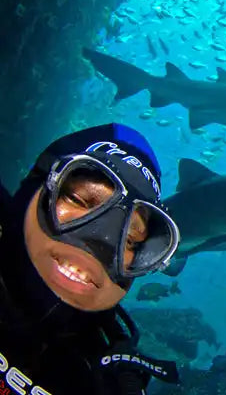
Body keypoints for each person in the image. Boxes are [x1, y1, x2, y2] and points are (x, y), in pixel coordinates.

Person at [0, 123, 181, 395]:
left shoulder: (103, 380)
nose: (103, 243)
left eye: (131, 240)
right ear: (32, 190)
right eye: (78, 199)